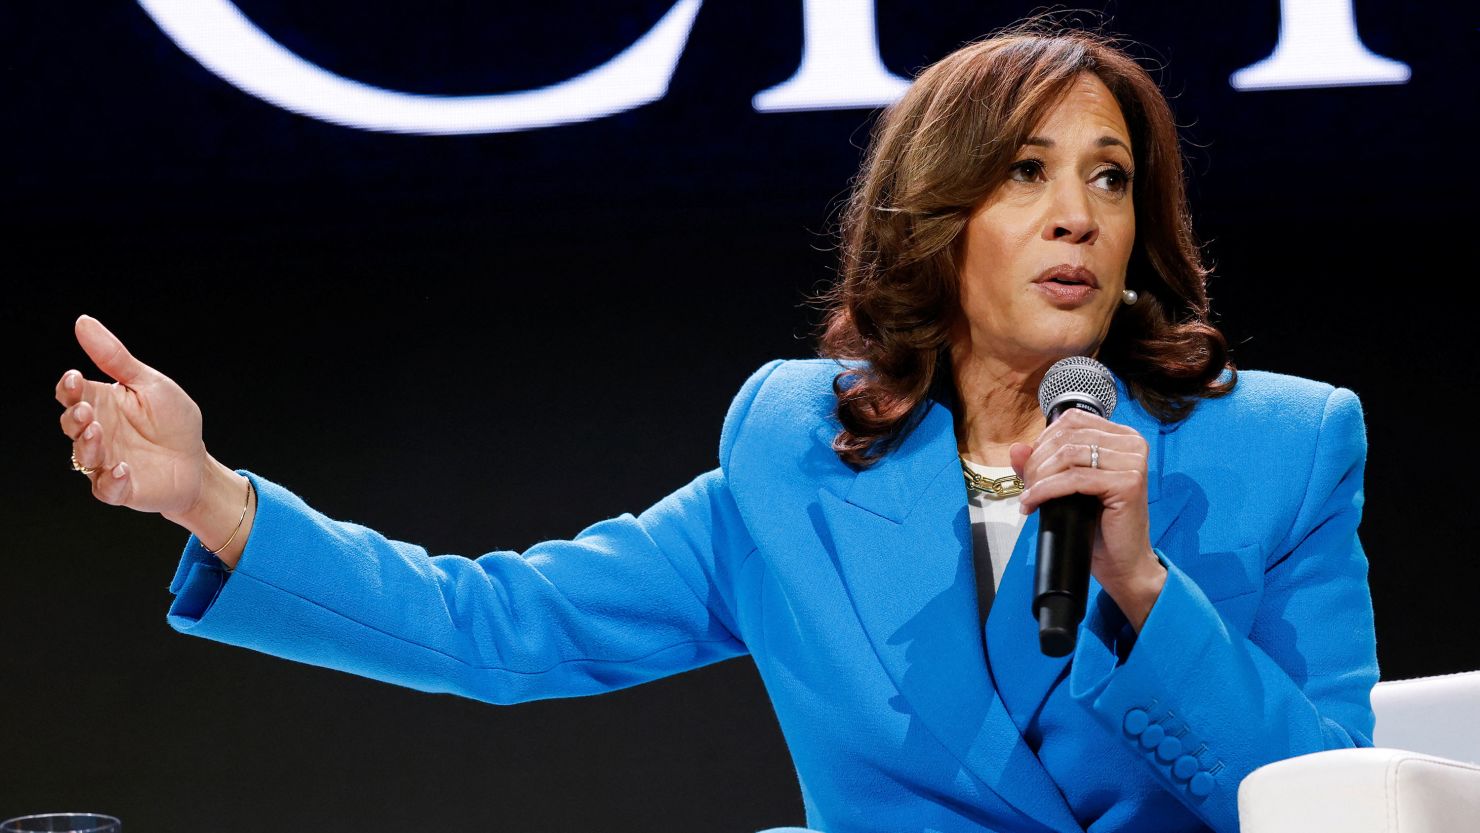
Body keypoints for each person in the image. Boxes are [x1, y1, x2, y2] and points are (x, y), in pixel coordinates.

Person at [54, 20, 1377, 833]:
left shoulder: (1285, 448)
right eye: (1026, 173)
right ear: (935, 217)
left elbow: (1346, 810)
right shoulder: (796, 454)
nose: (1078, 214)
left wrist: (1141, 588)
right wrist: (211, 495)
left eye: (1111, 178)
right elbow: (502, 626)